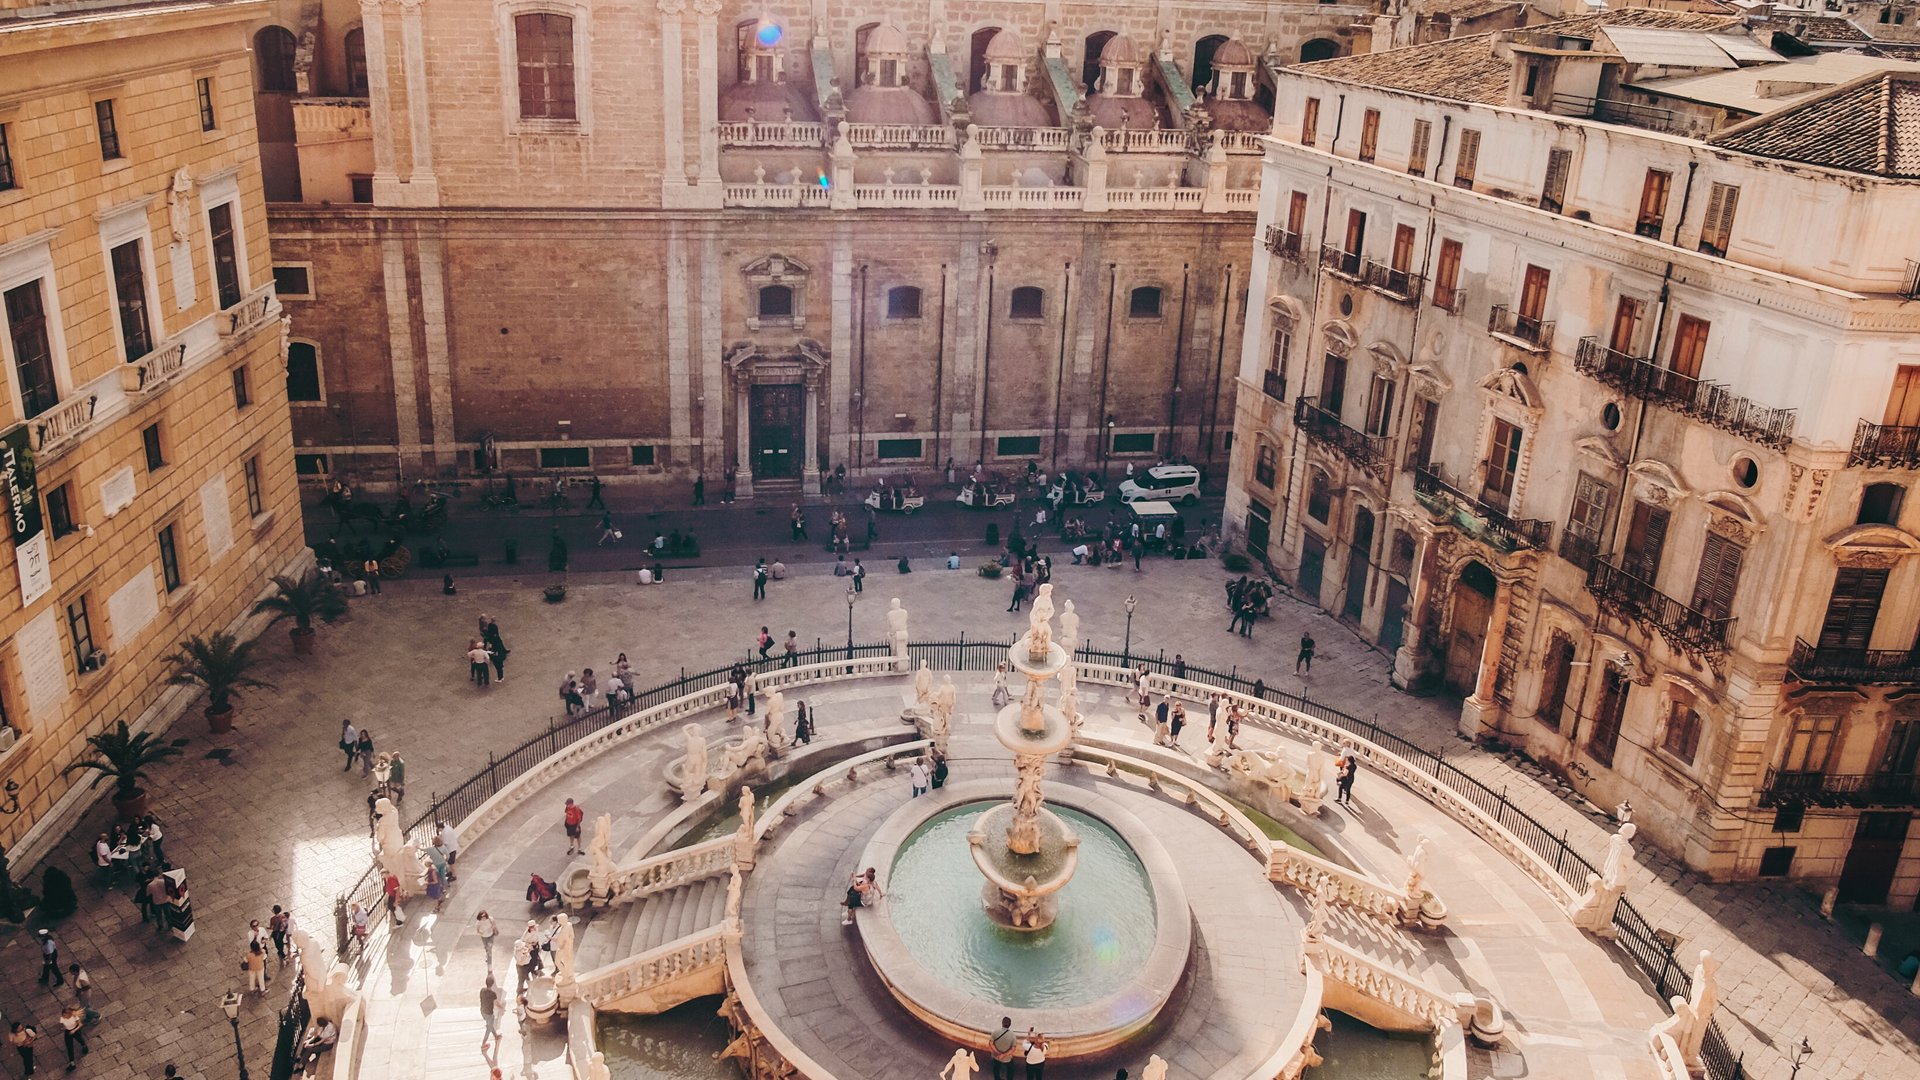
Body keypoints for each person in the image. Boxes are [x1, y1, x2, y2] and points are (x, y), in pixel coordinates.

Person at [58, 1005, 87, 1069]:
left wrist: (74, 1030)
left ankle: (84, 1046)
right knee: (69, 1047)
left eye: (65, 1015)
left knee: (80, 1039)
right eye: (63, 1014)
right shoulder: (62, 1018)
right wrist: (64, 1028)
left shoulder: (74, 1017)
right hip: (68, 1032)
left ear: (69, 1014)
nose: (64, 1016)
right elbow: (64, 1024)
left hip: (75, 1030)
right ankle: (72, 1063)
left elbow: (80, 1024)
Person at [479, 974, 502, 1051]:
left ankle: (496, 1036)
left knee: (490, 1025)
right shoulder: (493, 994)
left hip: (483, 1011)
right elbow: (496, 1003)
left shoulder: (482, 990)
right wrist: (502, 1007)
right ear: (492, 984)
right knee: (489, 1028)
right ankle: (483, 1043)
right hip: (489, 1013)